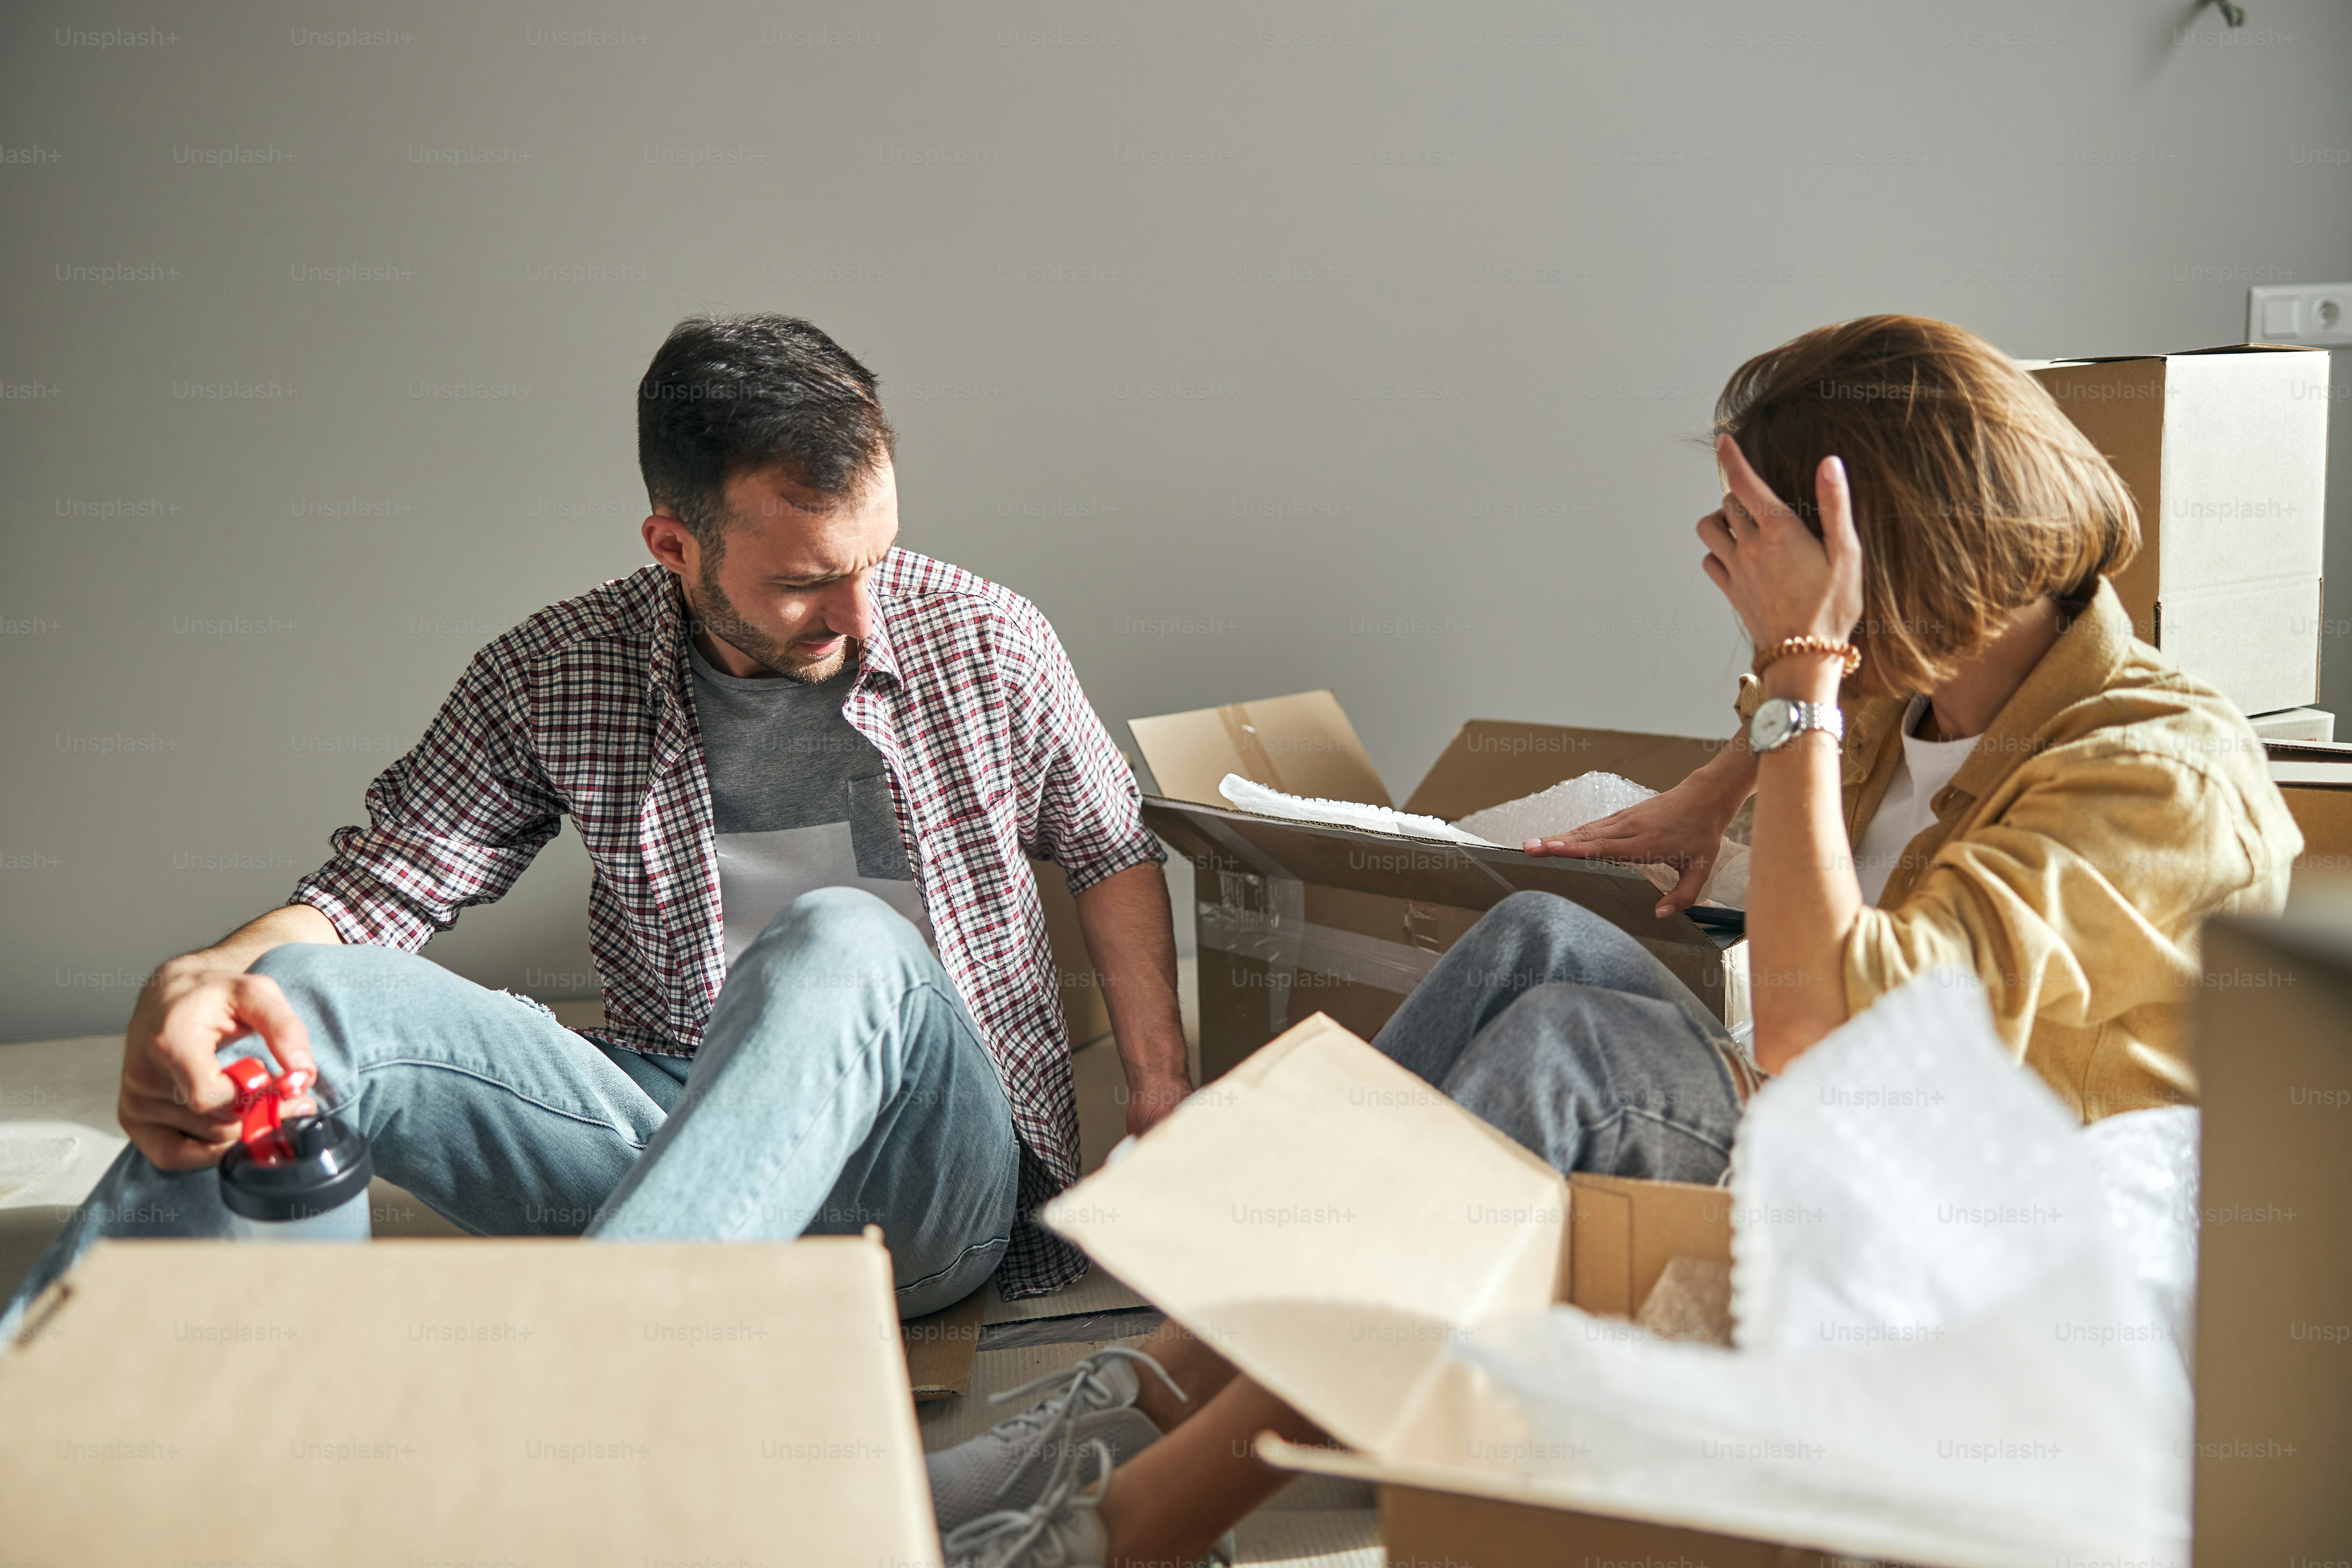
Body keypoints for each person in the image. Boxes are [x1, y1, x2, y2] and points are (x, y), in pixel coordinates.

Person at [924, 315, 2303, 1567]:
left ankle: (1140, 1524)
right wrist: (1722, 782)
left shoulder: (2157, 772)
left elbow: (1831, 1041)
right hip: (1840, 1129)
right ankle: (1138, 1393)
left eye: (1760, 523)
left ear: (1889, 547)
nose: (1724, 544)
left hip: (1993, 1231)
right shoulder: (1936, 688)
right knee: (1534, 940)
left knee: (1579, 1051)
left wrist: (1807, 679)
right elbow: (1822, 770)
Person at [1, 313, 1192, 1339]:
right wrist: (205, 975)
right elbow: (369, 901)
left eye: (877, 558)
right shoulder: (554, 670)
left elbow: (1108, 848)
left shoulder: (987, 639)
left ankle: (596, 1365)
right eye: (805, 583)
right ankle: (87, 1425)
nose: (862, 613)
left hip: (919, 1192)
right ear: (675, 546)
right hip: (658, 1145)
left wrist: (1158, 1094)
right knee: (304, 996)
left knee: (841, 939)